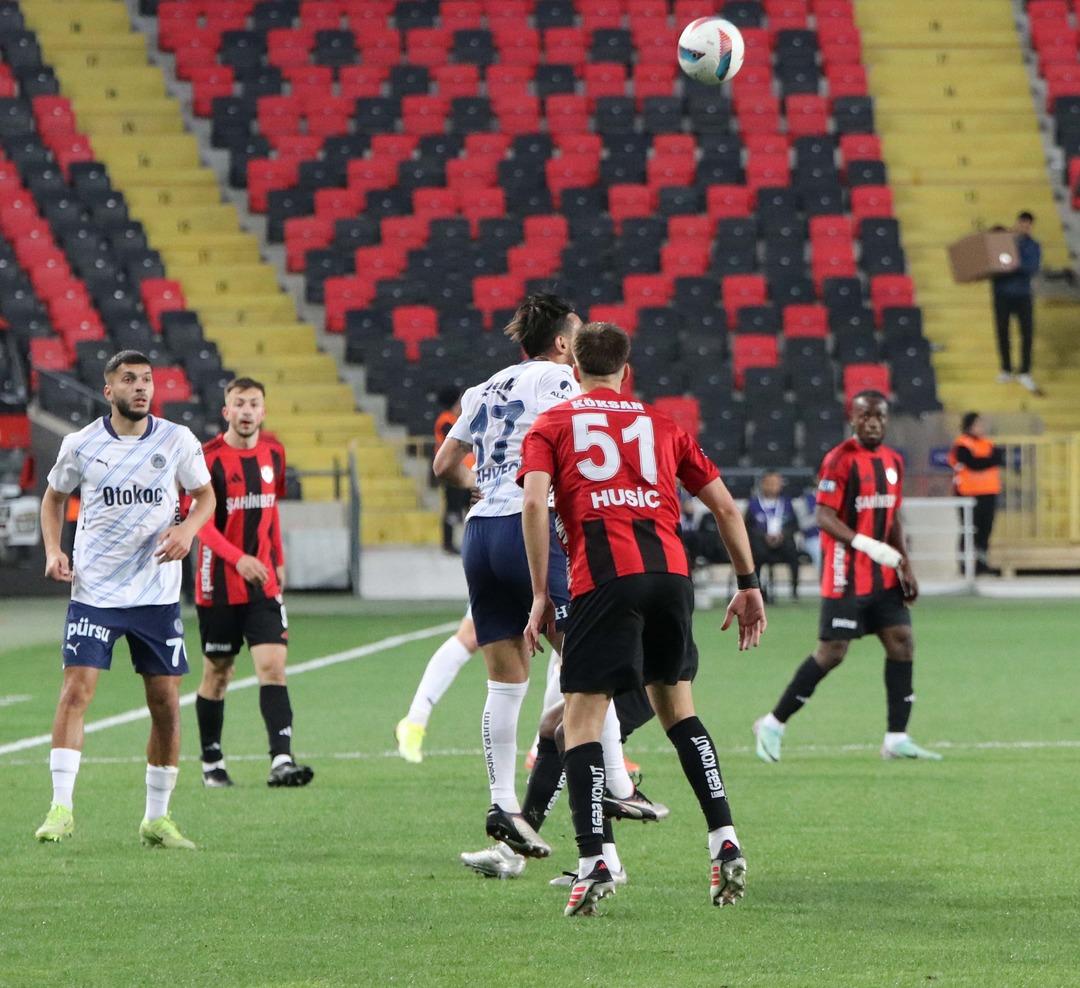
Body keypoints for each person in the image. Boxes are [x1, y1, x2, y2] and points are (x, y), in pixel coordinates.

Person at [519, 321, 767, 916]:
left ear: (574, 370)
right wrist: (748, 584)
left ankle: (594, 859)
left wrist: (540, 594)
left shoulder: (551, 424)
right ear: (626, 371)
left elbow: (532, 503)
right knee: (680, 712)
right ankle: (724, 838)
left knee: (581, 719)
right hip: (671, 577)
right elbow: (726, 507)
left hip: (604, 580)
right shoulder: (664, 424)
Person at [35, 350, 215, 848]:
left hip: (156, 594)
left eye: (147, 380)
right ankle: (60, 808)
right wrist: (53, 550)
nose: (141, 387)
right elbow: (53, 498)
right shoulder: (81, 444)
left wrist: (188, 530)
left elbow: (205, 496)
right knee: (76, 691)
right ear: (108, 390)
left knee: (165, 702)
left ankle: (157, 818)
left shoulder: (177, 440)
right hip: (95, 590)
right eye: (129, 379)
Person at [432, 293, 582, 860]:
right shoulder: (558, 380)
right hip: (529, 530)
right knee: (589, 661)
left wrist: (484, 485)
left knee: (504, 683)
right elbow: (575, 446)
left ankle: (503, 804)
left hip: (480, 536)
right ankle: (617, 785)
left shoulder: (484, 387)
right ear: (562, 342)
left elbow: (444, 465)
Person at [753, 391, 942, 765]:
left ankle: (896, 738)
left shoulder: (893, 461)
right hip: (845, 573)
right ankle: (772, 724)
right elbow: (823, 516)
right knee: (832, 652)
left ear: (886, 420)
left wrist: (904, 565)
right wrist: (866, 545)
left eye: (879, 416)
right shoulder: (839, 460)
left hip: (883, 574)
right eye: (865, 416)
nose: (872, 422)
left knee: (902, 642)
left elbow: (892, 516)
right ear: (852, 419)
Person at [190, 377, 313, 789]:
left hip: (262, 581)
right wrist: (237, 559)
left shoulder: (274, 452)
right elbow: (200, 523)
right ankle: (212, 762)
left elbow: (271, 508)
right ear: (226, 411)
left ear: (263, 411)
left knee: (273, 667)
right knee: (218, 673)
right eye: (239, 403)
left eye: (253, 403)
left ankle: (282, 759)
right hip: (218, 584)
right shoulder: (207, 458)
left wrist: (278, 559)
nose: (246, 411)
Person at [948, 411, 1004, 576]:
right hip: (968, 495)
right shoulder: (962, 444)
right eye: (977, 424)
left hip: (989, 493)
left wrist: (985, 461)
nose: (981, 427)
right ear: (969, 426)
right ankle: (964, 566)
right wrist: (988, 461)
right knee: (968, 530)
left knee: (985, 532)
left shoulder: (988, 443)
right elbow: (972, 463)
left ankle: (982, 565)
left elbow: (997, 458)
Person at [992, 210, 1041, 394]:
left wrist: (1012, 263)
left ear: (1031, 226)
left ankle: (1025, 372)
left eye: (1028, 224)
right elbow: (993, 264)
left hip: (1023, 295)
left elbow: (1032, 268)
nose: (1024, 227)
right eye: (1022, 223)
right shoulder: (1002, 241)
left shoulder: (1034, 245)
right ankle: (1006, 369)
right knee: (1002, 332)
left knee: (1027, 334)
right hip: (1002, 294)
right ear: (1017, 223)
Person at [745, 472, 801, 601]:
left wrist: (783, 535)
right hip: (761, 543)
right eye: (769, 483)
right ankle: (759, 591)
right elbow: (748, 527)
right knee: (755, 555)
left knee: (793, 552)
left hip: (783, 542)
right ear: (762, 484)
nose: (773, 487)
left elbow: (794, 525)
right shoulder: (753, 504)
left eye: (776, 483)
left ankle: (794, 590)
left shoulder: (786, 503)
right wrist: (764, 536)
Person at [434, 386, 472, 554]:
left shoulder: (454, 419)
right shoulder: (446, 421)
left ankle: (467, 542)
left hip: (464, 471)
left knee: (468, 506)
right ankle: (448, 543)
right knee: (452, 509)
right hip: (452, 471)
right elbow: (458, 440)